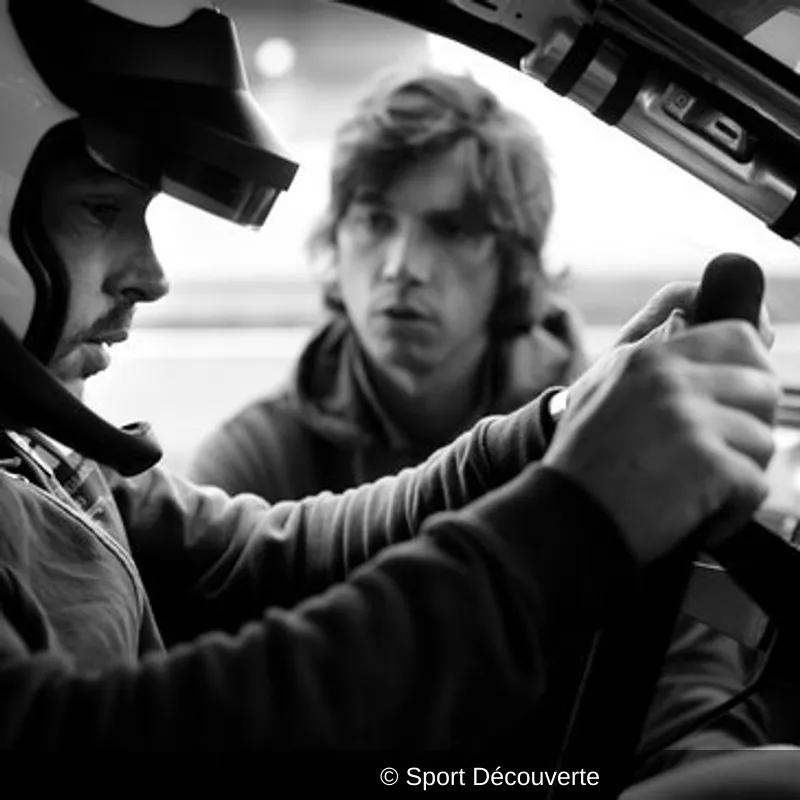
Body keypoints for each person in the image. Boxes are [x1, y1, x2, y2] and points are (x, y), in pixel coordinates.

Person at [0, 0, 780, 784]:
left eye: (453, 231)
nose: (152, 274)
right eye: (101, 209)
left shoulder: (42, 457)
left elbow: (259, 560)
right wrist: (580, 517)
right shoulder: (239, 445)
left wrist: (558, 426)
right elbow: (97, 744)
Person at [188, 66, 590, 499]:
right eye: (375, 221)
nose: (402, 266)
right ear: (336, 240)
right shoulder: (253, 468)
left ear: (512, 265)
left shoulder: (589, 431)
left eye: (453, 230)